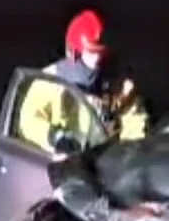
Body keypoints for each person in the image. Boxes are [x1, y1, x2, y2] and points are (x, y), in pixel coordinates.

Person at [22, 10, 149, 152]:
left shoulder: (118, 84)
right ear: (75, 51)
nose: (97, 58)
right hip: (63, 159)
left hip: (103, 158)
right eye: (91, 51)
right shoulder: (51, 81)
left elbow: (135, 122)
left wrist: (129, 153)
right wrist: (55, 137)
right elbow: (29, 119)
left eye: (100, 52)